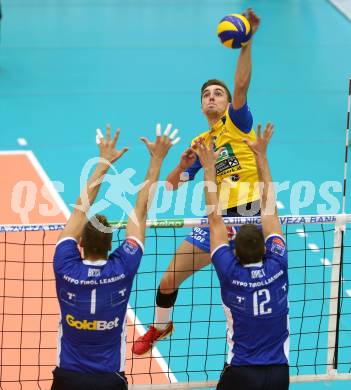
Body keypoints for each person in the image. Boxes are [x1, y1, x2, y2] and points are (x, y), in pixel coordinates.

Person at [132, 8, 262, 355]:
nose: (212, 97)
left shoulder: (238, 122)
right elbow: (173, 184)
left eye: (218, 93)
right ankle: (160, 327)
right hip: (217, 218)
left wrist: (245, 44)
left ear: (228, 102)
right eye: (207, 95)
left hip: (248, 216)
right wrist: (179, 165)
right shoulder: (200, 142)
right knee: (168, 279)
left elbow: (241, 83)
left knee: (240, 293)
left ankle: (248, 351)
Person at [51, 124, 179, 390]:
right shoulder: (123, 266)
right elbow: (140, 212)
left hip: (68, 379)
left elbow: (78, 211)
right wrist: (157, 160)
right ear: (112, 244)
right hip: (109, 380)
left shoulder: (64, 264)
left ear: (80, 243)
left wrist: (104, 162)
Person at [196, 123, 289, 390]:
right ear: (266, 247)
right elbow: (268, 208)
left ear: (234, 251)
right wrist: (261, 155)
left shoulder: (229, 271)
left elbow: (215, 219)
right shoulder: (278, 264)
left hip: (242, 373)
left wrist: (209, 168)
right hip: (278, 375)